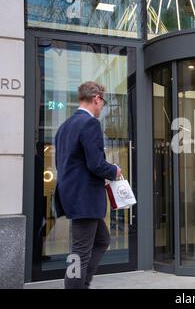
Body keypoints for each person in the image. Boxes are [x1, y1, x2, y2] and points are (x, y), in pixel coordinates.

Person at [54, 81, 121, 289]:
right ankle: (76, 285)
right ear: (96, 99)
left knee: (101, 241)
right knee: (79, 253)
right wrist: (114, 170)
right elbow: (96, 164)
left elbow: (63, 163)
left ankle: (82, 283)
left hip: (73, 196)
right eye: (103, 102)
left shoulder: (64, 127)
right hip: (85, 199)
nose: (102, 107)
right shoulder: (90, 123)